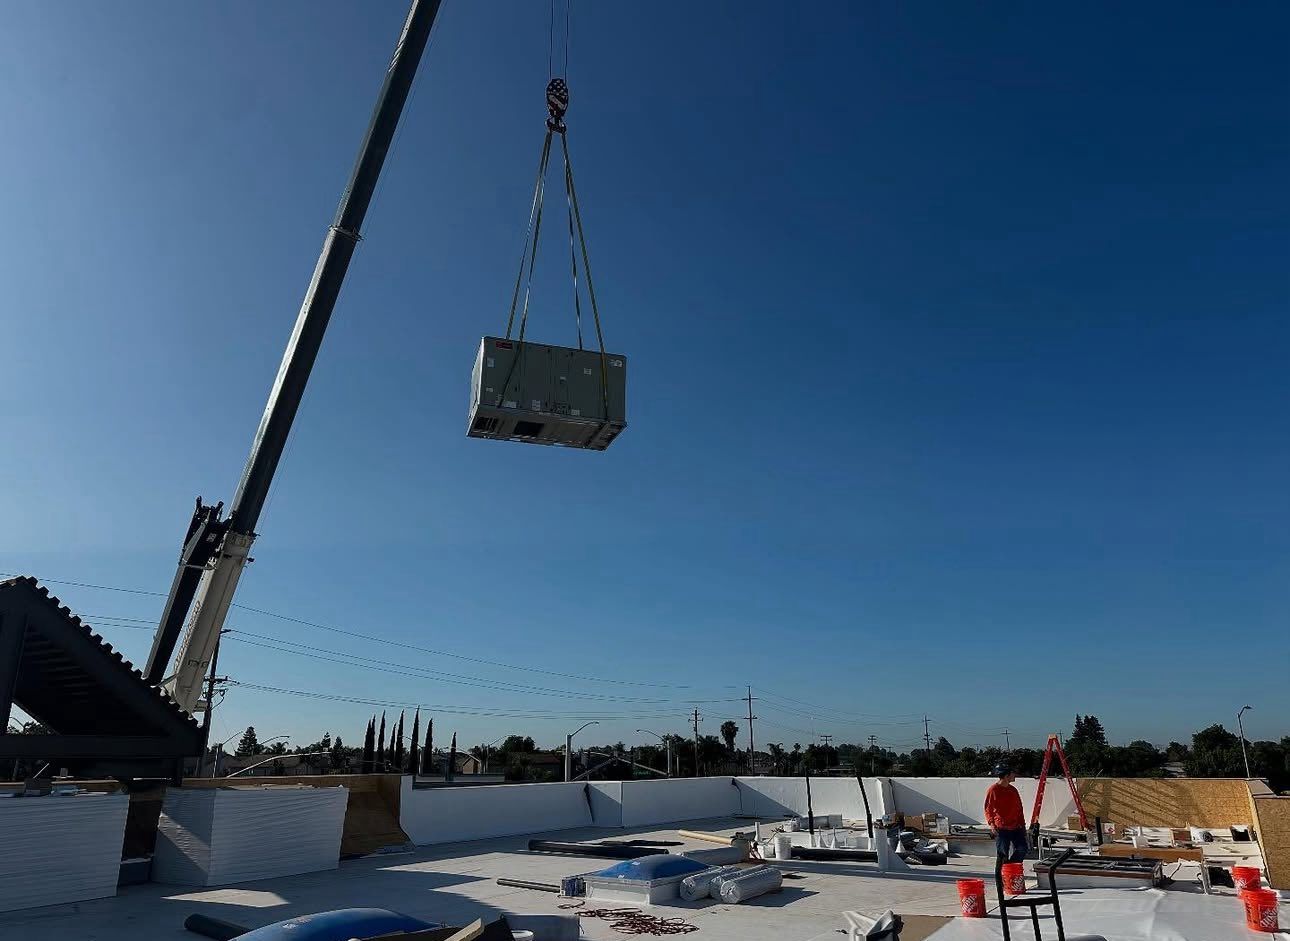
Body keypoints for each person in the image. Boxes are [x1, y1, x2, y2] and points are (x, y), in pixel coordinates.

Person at [985, 762, 1028, 872]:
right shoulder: (993, 790)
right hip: (1002, 828)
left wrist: (1023, 826)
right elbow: (988, 809)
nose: (1014, 775)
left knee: (1023, 848)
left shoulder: (1013, 790)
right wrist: (992, 825)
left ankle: (1009, 869)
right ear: (1006, 775)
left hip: (1015, 827)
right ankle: (1002, 878)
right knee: (1002, 855)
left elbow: (1019, 809)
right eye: (1012, 773)